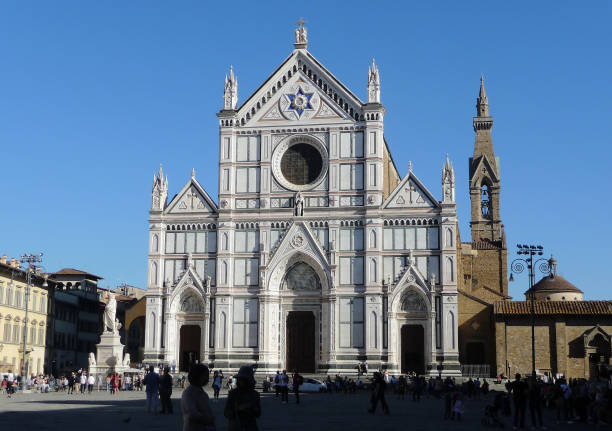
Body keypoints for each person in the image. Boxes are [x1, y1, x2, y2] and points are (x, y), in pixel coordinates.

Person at [224, 366, 261, 431]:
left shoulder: (255, 394)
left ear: (248, 380)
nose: (240, 381)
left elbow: (258, 413)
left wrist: (252, 408)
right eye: (240, 379)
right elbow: (226, 412)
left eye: (243, 379)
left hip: (251, 426)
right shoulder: (233, 393)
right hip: (236, 426)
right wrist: (238, 409)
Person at [181, 364, 216, 431]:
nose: (208, 378)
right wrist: (208, 419)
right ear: (198, 376)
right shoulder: (189, 393)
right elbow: (192, 414)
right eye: (205, 375)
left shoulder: (202, 393)